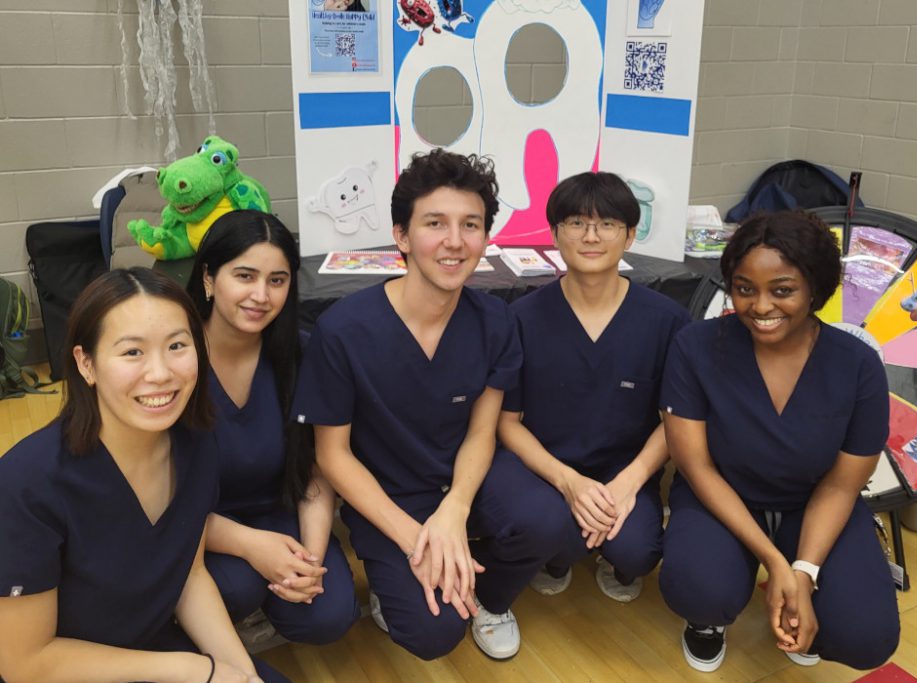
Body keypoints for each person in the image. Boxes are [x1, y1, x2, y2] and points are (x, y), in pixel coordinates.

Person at [292, 149, 567, 661]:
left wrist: (454, 511)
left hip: (467, 479)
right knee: (431, 635)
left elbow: (483, 433)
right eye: (435, 223)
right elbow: (332, 456)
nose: (454, 241)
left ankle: (488, 596)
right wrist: (419, 540)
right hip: (390, 496)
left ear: (486, 237)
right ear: (402, 235)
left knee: (546, 518)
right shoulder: (344, 330)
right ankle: (412, 583)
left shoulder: (494, 321)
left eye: (471, 225)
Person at [0, 268, 287, 683]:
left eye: (176, 346)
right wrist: (195, 669)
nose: (160, 373)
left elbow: (190, 573)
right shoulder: (26, 483)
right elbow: (25, 664)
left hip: (152, 649)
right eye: (132, 352)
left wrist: (241, 672)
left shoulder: (196, 441)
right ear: (86, 363)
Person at [659, 210, 900, 672]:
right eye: (744, 288)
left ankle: (809, 607)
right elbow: (696, 467)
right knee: (700, 588)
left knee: (866, 637)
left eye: (782, 290)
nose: (761, 306)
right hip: (722, 498)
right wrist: (776, 563)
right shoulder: (696, 347)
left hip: (813, 503)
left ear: (816, 288)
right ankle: (709, 621)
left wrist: (804, 574)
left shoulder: (857, 365)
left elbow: (841, 486)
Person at [497, 172, 689, 602]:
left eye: (607, 224)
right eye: (576, 223)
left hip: (623, 471)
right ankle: (560, 550)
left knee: (638, 552)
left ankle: (610, 552)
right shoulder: (522, 318)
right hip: (547, 470)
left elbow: (676, 420)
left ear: (631, 235)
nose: (591, 236)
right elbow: (507, 423)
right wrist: (567, 483)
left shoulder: (665, 320)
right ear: (554, 233)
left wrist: (628, 483)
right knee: (553, 533)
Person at [186, 211, 360, 647]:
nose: (260, 295)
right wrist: (248, 546)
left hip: (278, 512)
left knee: (329, 613)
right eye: (244, 276)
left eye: (277, 280)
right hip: (193, 524)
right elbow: (152, 502)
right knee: (237, 586)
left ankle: (265, 600)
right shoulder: (173, 362)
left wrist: (313, 559)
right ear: (209, 278)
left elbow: (316, 470)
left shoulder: (301, 355)